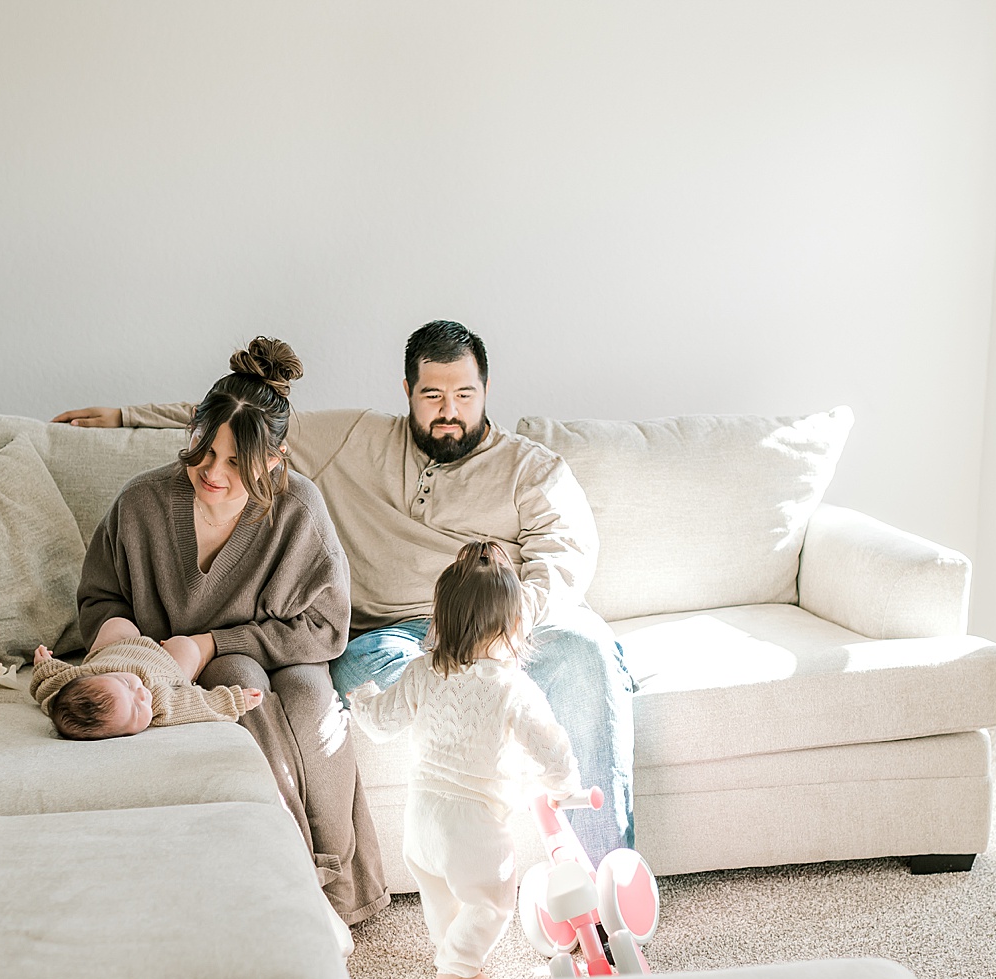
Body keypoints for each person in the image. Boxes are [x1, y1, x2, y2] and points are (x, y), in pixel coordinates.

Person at [53, 320, 636, 863]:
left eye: (464, 394)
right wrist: (126, 415)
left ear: (486, 388)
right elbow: (247, 418)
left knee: (588, 658)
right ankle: (458, 844)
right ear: (407, 390)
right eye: (432, 395)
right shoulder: (355, 439)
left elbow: (565, 556)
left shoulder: (529, 469)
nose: (449, 412)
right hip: (394, 636)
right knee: (360, 680)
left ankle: (603, 871)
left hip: (513, 624)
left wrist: (503, 631)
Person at [71, 337, 388, 925]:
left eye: (236, 462)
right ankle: (292, 878)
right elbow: (99, 595)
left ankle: (340, 885)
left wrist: (212, 641)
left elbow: (324, 625)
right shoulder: (141, 502)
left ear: (274, 458)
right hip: (188, 666)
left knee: (315, 701)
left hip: (289, 651)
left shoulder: (300, 510)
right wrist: (118, 635)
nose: (212, 473)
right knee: (243, 685)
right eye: (204, 450)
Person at [346, 541, 596, 979]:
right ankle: (457, 970)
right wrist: (564, 787)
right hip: (473, 826)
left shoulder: (422, 671)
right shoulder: (512, 688)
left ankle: (454, 956)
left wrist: (362, 698)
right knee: (491, 902)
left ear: (441, 619)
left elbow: (382, 724)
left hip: (421, 818)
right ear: (515, 626)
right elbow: (550, 747)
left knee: (442, 896)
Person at [29, 616, 262, 740]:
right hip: (165, 664)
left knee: (117, 624)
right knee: (186, 647)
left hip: (118, 647)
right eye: (137, 710)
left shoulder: (79, 678)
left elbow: (48, 684)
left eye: (127, 683)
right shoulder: (160, 703)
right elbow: (198, 704)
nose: (141, 693)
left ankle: (125, 639)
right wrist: (236, 700)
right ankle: (173, 648)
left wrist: (43, 664)